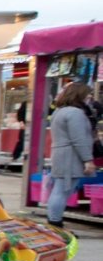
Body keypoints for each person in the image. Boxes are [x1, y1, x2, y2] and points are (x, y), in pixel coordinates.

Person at [46, 81, 97, 228]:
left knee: (60, 190)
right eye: (87, 95)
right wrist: (88, 160)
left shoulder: (59, 111)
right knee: (62, 191)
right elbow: (79, 139)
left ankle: (54, 222)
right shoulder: (75, 113)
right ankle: (55, 224)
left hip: (61, 154)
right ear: (79, 95)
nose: (89, 98)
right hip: (70, 157)